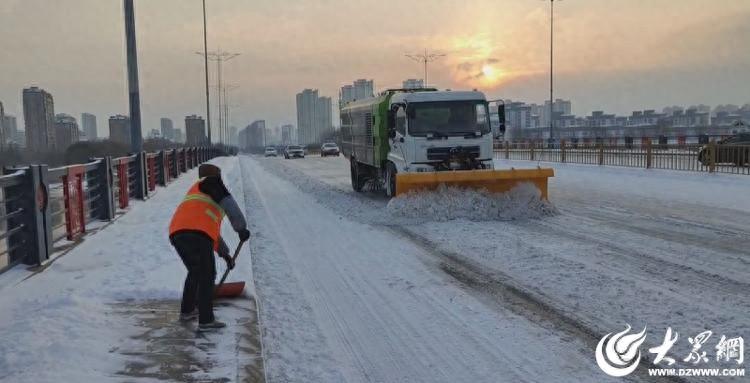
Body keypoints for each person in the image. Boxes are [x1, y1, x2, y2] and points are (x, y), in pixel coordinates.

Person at [169, 163, 250, 331]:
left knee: (195, 271)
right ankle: (206, 320)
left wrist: (225, 255)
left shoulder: (198, 189)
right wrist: (241, 229)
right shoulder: (214, 184)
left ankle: (188, 310)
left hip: (177, 232)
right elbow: (231, 207)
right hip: (197, 233)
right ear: (217, 176)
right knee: (207, 274)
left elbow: (207, 227)